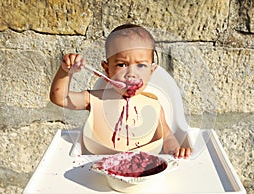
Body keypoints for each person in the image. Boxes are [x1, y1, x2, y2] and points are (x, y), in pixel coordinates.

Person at [50, 23, 192, 158]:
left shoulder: (153, 104)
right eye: (122, 64)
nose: (131, 73)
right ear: (107, 70)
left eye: (141, 65)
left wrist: (176, 151)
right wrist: (65, 72)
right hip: (98, 171)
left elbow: (167, 138)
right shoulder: (94, 99)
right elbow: (59, 98)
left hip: (145, 170)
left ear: (151, 71)